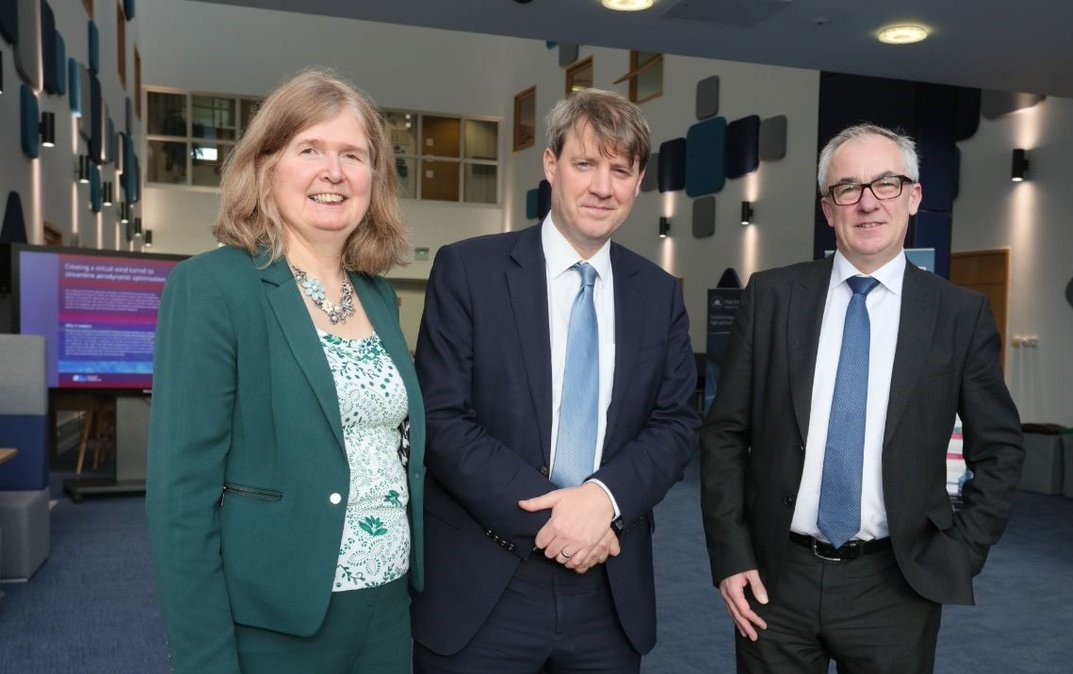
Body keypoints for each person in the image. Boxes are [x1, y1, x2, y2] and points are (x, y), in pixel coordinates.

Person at [700, 123, 1024, 673]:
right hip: (776, 578)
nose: (867, 203)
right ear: (828, 208)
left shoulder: (957, 315)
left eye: (887, 184)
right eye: (847, 188)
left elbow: (1000, 450)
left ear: (915, 196)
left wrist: (961, 551)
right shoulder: (772, 297)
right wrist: (732, 556)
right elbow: (725, 434)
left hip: (896, 582)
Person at [145, 70, 425, 674]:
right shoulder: (214, 286)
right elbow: (181, 500)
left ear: (374, 179)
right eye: (310, 150)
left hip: (386, 606)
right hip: (277, 616)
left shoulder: (378, 296)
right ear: (266, 166)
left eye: (354, 155)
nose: (335, 172)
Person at [412, 88, 699, 673]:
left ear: (638, 181)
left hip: (608, 589)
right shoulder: (469, 270)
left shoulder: (659, 293)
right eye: (585, 164)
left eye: (620, 170)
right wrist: (564, 521)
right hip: (486, 582)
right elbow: (442, 420)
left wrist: (603, 500)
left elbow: (675, 425)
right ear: (550, 165)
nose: (602, 186)